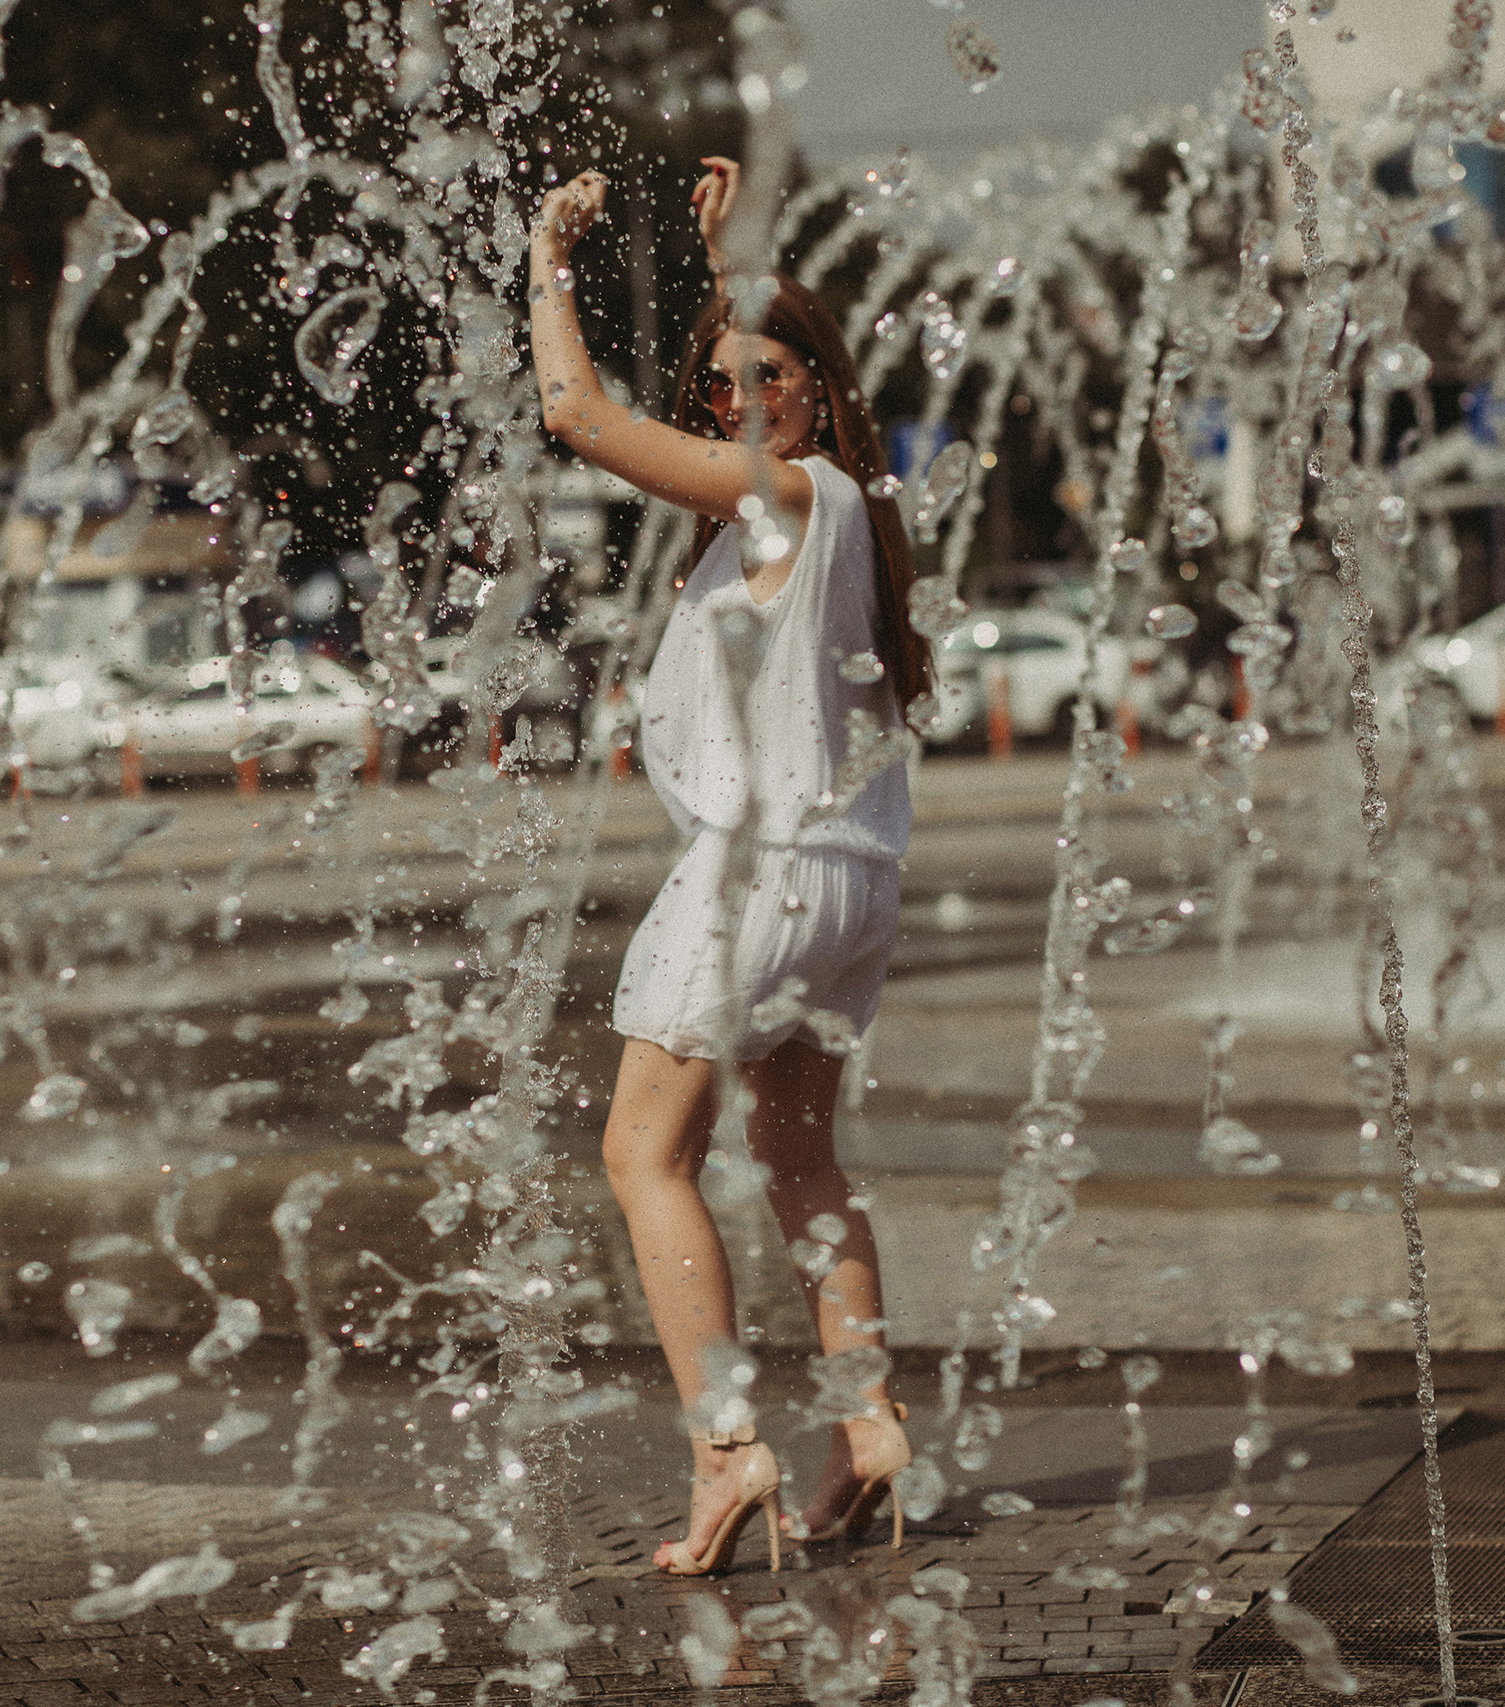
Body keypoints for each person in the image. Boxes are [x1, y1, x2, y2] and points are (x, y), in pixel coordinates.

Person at [528, 157, 933, 1576]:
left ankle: (724, 1450)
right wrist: (729, 273)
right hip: (849, 880)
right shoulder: (834, 515)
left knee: (643, 1152)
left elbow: (573, 412)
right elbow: (740, 371)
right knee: (802, 1155)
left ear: (821, 391)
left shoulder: (787, 497)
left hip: (759, 873)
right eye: (723, 390)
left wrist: (550, 258)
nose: (746, 403)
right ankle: (867, 1421)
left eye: (775, 379)